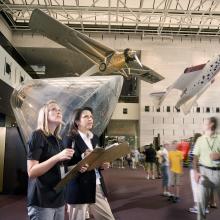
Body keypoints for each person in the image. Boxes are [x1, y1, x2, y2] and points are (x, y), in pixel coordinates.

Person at [63, 107, 115, 220]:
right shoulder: (70, 138)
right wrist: (81, 161)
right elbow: (65, 165)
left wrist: (102, 164)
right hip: (78, 186)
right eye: (86, 116)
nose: (90, 118)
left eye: (91, 116)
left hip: (96, 184)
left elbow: (96, 160)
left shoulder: (95, 138)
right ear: (77, 122)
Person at [27, 100, 74, 220]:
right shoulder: (37, 135)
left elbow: (61, 169)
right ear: (44, 115)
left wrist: (80, 166)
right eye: (53, 109)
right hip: (42, 199)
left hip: (59, 198)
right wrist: (57, 157)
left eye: (59, 110)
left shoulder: (58, 140)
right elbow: (32, 172)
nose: (58, 111)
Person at [193, 117, 220, 220]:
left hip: (218, 173)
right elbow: (195, 157)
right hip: (204, 173)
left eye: (204, 123)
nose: (202, 125)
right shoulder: (200, 140)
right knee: (201, 205)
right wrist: (196, 172)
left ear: (211, 124)